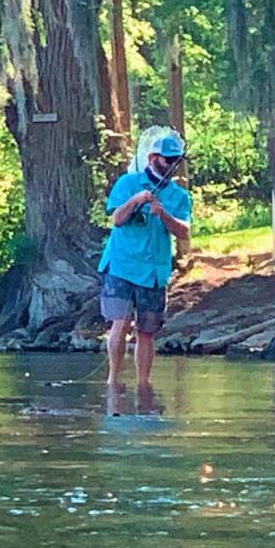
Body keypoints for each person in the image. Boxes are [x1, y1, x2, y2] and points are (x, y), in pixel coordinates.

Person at [98, 131, 192, 387]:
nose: (172, 165)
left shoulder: (179, 196)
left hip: (154, 271)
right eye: (167, 159)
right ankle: (113, 381)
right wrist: (137, 199)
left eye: (176, 160)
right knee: (121, 322)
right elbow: (117, 219)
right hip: (121, 265)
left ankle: (143, 384)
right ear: (152, 158)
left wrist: (164, 215)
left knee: (147, 331)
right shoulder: (128, 183)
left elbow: (184, 232)